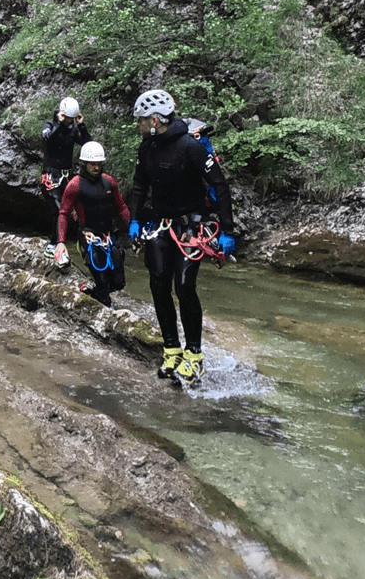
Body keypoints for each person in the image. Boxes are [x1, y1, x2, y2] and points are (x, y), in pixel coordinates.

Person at [127, 89, 237, 384]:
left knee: (185, 285)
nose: (137, 125)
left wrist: (227, 230)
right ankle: (172, 348)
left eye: (140, 120)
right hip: (161, 226)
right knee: (158, 283)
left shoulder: (191, 146)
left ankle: (195, 355)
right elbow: (139, 187)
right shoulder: (146, 148)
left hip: (192, 226)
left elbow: (220, 186)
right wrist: (134, 220)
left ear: (154, 120)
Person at [54, 141, 130, 308]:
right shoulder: (75, 185)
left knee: (119, 283)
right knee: (103, 282)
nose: (96, 167)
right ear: (84, 163)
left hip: (108, 237)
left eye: (98, 164)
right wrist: (61, 242)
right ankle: (103, 305)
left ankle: (91, 293)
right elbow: (64, 213)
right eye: (92, 164)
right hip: (88, 239)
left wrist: (130, 230)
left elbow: (121, 207)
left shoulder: (109, 182)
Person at [40, 96, 90, 266]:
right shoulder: (49, 125)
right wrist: (61, 124)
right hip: (50, 176)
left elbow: (87, 144)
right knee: (58, 210)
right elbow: (48, 140)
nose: (70, 122)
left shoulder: (72, 129)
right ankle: (54, 244)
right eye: (68, 118)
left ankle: (75, 246)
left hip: (66, 177)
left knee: (70, 211)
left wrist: (81, 125)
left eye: (72, 119)